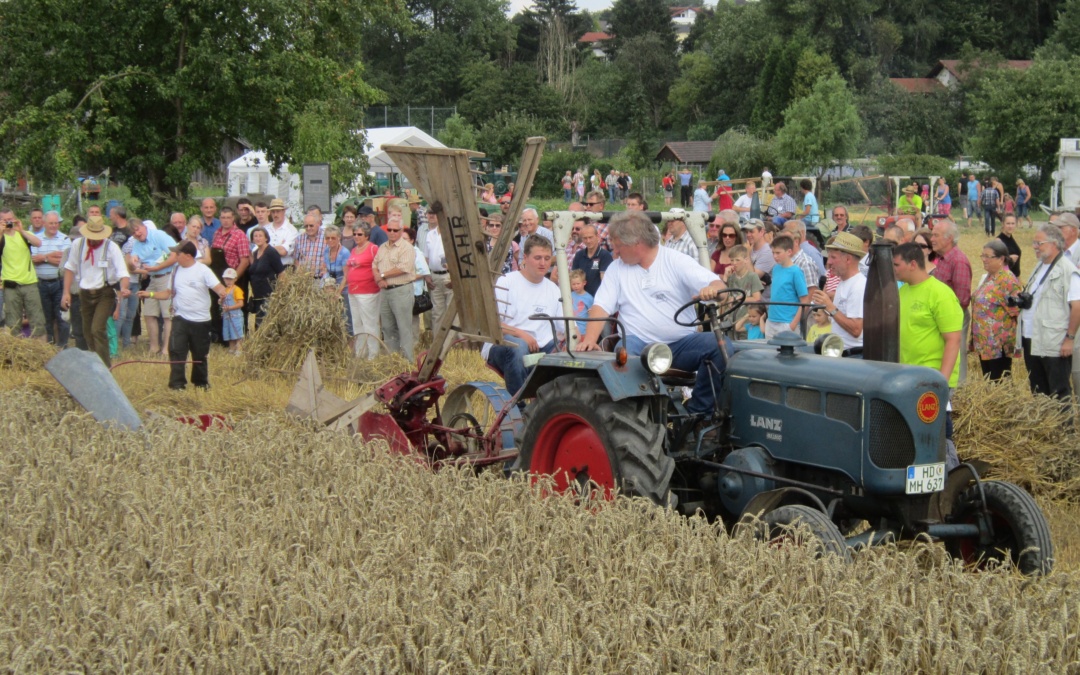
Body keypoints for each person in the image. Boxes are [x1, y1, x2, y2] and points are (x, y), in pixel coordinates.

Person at [577, 211, 728, 415]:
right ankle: (638, 416)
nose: (615, 253)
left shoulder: (675, 261)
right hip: (640, 344)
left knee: (720, 346)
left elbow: (717, 285)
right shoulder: (616, 269)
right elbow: (601, 306)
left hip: (680, 346)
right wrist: (590, 339)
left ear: (636, 243)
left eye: (618, 247)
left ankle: (699, 413)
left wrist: (715, 290)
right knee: (624, 352)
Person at [483, 235, 563, 396]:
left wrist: (577, 340)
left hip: (541, 347)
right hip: (505, 344)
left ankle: (551, 406)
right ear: (525, 258)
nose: (543, 263)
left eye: (547, 258)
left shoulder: (553, 289)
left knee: (569, 354)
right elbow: (493, 323)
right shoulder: (506, 282)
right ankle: (518, 405)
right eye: (538, 258)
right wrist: (521, 334)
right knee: (518, 347)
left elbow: (565, 326)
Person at [145, 240, 227, 390]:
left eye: (178, 253)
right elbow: (168, 294)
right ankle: (177, 384)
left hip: (200, 320)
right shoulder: (175, 271)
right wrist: (150, 294)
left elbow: (219, 288)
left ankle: (200, 383)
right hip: (180, 317)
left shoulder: (203, 270)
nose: (174, 256)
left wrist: (223, 295)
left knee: (199, 354)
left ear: (188, 256)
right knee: (176, 351)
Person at [1018, 224, 1080, 404]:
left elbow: (1077, 307)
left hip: (1054, 340)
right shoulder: (1039, 267)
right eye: (1034, 242)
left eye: (1039, 243)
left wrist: (1069, 338)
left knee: (1059, 391)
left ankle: (1064, 430)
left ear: (1054, 243)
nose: (1035, 246)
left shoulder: (1068, 270)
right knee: (1038, 389)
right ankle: (1044, 430)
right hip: (1032, 337)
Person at [893, 243, 963, 394]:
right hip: (908, 376)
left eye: (897, 265)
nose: (893, 269)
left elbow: (953, 339)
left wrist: (942, 382)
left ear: (912, 264)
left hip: (932, 379)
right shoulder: (902, 291)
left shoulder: (941, 294)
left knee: (937, 418)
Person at [61, 216, 131, 367]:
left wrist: (124, 288)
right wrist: (66, 292)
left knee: (97, 329)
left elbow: (123, 273)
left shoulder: (111, 247)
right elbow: (69, 268)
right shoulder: (78, 245)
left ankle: (106, 367)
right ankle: (96, 363)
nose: (94, 240)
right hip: (85, 293)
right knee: (87, 332)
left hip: (105, 292)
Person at [971, 240, 1022, 381]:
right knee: (989, 382)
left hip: (998, 345)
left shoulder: (1007, 280)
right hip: (985, 342)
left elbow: (1016, 312)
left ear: (1001, 259)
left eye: (988, 256)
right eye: (983, 256)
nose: (984, 260)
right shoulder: (989, 277)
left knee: (999, 382)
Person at [929, 221, 973, 383]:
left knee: (956, 354)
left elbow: (962, 299)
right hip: (942, 316)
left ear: (949, 239)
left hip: (954, 316)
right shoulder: (942, 259)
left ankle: (958, 388)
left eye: (936, 235)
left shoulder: (958, 261)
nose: (931, 238)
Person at [128, 219, 179, 356]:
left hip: (167, 275)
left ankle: (166, 349)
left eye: (138, 229)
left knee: (168, 315)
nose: (137, 233)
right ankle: (154, 347)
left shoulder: (159, 235)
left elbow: (175, 255)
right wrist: (133, 261)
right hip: (152, 278)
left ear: (144, 226)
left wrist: (157, 267)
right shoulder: (137, 243)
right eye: (134, 233)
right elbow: (134, 255)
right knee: (149, 313)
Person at [373, 206, 416, 361]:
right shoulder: (382, 248)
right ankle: (393, 361)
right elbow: (374, 264)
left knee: (404, 327)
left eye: (395, 230)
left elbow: (404, 268)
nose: (392, 233)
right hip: (385, 291)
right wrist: (378, 278)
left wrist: (382, 275)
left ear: (401, 230)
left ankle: (407, 362)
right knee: (387, 327)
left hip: (401, 290)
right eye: (389, 230)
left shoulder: (407, 248)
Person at [811, 232, 865, 351]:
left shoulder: (858, 286)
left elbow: (856, 330)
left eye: (833, 257)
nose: (828, 262)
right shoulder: (844, 283)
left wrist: (830, 307)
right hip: (840, 351)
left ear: (848, 259)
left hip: (853, 354)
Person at [0, 208, 46, 339]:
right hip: (11, 285)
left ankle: (42, 353)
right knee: (13, 324)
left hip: (30, 283)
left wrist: (21, 230)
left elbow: (38, 243)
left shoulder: (23, 234)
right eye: (5, 220)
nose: (9, 222)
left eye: (11, 219)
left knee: (38, 321)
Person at [31, 210, 71, 345]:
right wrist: (50, 257)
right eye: (51, 223)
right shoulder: (37, 239)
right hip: (41, 284)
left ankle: (63, 347)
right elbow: (33, 259)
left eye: (56, 223)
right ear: (44, 223)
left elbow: (63, 260)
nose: (54, 226)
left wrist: (43, 257)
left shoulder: (65, 239)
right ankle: (49, 347)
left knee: (62, 317)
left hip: (59, 283)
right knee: (46, 318)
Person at [345, 222, 381, 358]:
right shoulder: (354, 250)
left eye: (359, 234)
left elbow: (379, 265)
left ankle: (373, 354)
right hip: (353, 291)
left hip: (368, 291)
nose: (356, 236)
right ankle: (361, 352)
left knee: (369, 323)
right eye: (354, 234)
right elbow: (348, 268)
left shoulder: (373, 248)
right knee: (357, 323)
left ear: (366, 236)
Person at [764, 235, 809, 338]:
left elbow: (804, 300)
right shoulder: (775, 269)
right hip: (771, 320)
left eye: (778, 253)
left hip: (787, 322)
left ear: (789, 252)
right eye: (773, 253)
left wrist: (793, 325)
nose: (775, 256)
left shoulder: (796, 271)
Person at [424, 202, 454, 332]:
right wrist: (427, 275)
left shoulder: (453, 233)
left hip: (449, 275)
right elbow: (426, 257)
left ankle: (452, 346)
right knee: (437, 313)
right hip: (434, 275)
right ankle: (438, 345)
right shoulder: (430, 234)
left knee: (451, 313)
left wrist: (455, 277)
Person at [247, 227, 284, 329]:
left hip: (269, 295)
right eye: (255, 236)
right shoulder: (255, 253)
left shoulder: (271, 252)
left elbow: (281, 273)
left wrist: (278, 293)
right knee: (259, 324)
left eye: (260, 236)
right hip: (257, 295)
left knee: (266, 325)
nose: (258, 238)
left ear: (266, 238)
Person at [724, 245, 763, 334]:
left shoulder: (752, 276)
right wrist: (725, 278)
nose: (734, 263)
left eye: (737, 260)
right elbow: (724, 300)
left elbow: (757, 299)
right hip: (731, 320)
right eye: (732, 260)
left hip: (745, 322)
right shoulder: (731, 278)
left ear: (746, 260)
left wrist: (737, 298)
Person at [571, 224, 612, 297]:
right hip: (580, 298)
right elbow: (573, 276)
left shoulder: (605, 256)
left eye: (590, 237)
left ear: (597, 237)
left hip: (598, 298)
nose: (588, 241)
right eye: (585, 238)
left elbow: (605, 281)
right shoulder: (579, 255)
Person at [220, 268, 244, 355]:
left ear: (235, 279)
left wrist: (229, 307)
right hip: (227, 316)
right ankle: (231, 349)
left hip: (235, 315)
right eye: (226, 279)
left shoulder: (237, 290)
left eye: (230, 279)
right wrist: (221, 301)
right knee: (229, 332)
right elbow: (221, 302)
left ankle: (239, 350)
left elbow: (241, 303)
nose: (228, 281)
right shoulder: (225, 290)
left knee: (237, 333)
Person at [266, 198, 298, 266]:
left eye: (278, 211)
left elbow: (284, 251)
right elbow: (256, 251)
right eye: (273, 212)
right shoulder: (265, 229)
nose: (275, 214)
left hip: (284, 267)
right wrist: (278, 247)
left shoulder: (291, 230)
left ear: (283, 211)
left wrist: (264, 248)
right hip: (267, 267)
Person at [294, 213, 326, 278]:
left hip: (321, 278)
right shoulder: (299, 239)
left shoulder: (327, 237)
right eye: (306, 226)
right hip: (304, 279)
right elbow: (296, 259)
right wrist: (299, 270)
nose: (308, 228)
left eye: (311, 226)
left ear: (318, 224)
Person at [742, 218, 774, 282]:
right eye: (746, 232)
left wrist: (747, 254)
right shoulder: (749, 248)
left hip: (765, 291)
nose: (748, 235)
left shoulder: (768, 252)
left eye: (751, 231)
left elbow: (753, 278)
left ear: (762, 232)